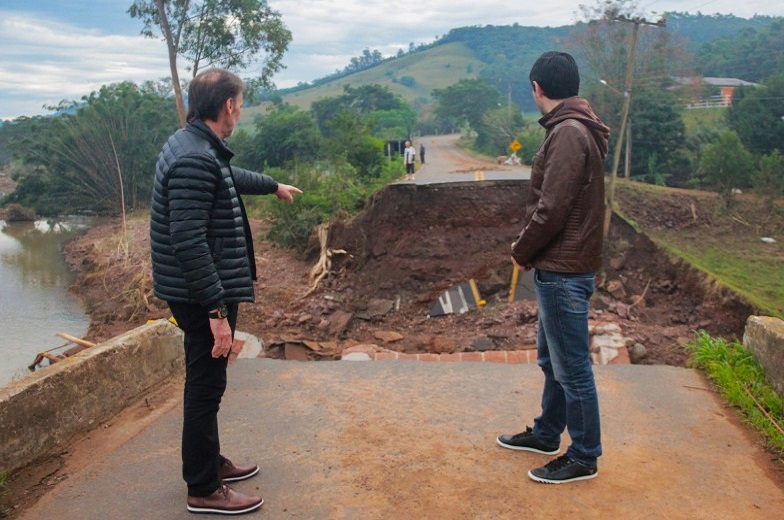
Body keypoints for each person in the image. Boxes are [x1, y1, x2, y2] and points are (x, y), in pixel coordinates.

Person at [150, 68, 302, 514]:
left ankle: (209, 462)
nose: (241, 109)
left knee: (207, 384)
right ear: (228, 106)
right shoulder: (195, 158)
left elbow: (227, 177)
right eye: (241, 102)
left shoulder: (192, 145)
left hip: (196, 289)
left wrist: (271, 185)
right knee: (205, 386)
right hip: (200, 294)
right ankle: (202, 486)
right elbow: (188, 241)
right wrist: (217, 312)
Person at [496, 51, 610, 484]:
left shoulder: (567, 133)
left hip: (561, 269)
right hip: (562, 266)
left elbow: (552, 208)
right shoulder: (579, 126)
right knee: (552, 359)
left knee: (571, 367)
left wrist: (521, 250)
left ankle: (583, 455)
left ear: (536, 88)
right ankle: (547, 433)